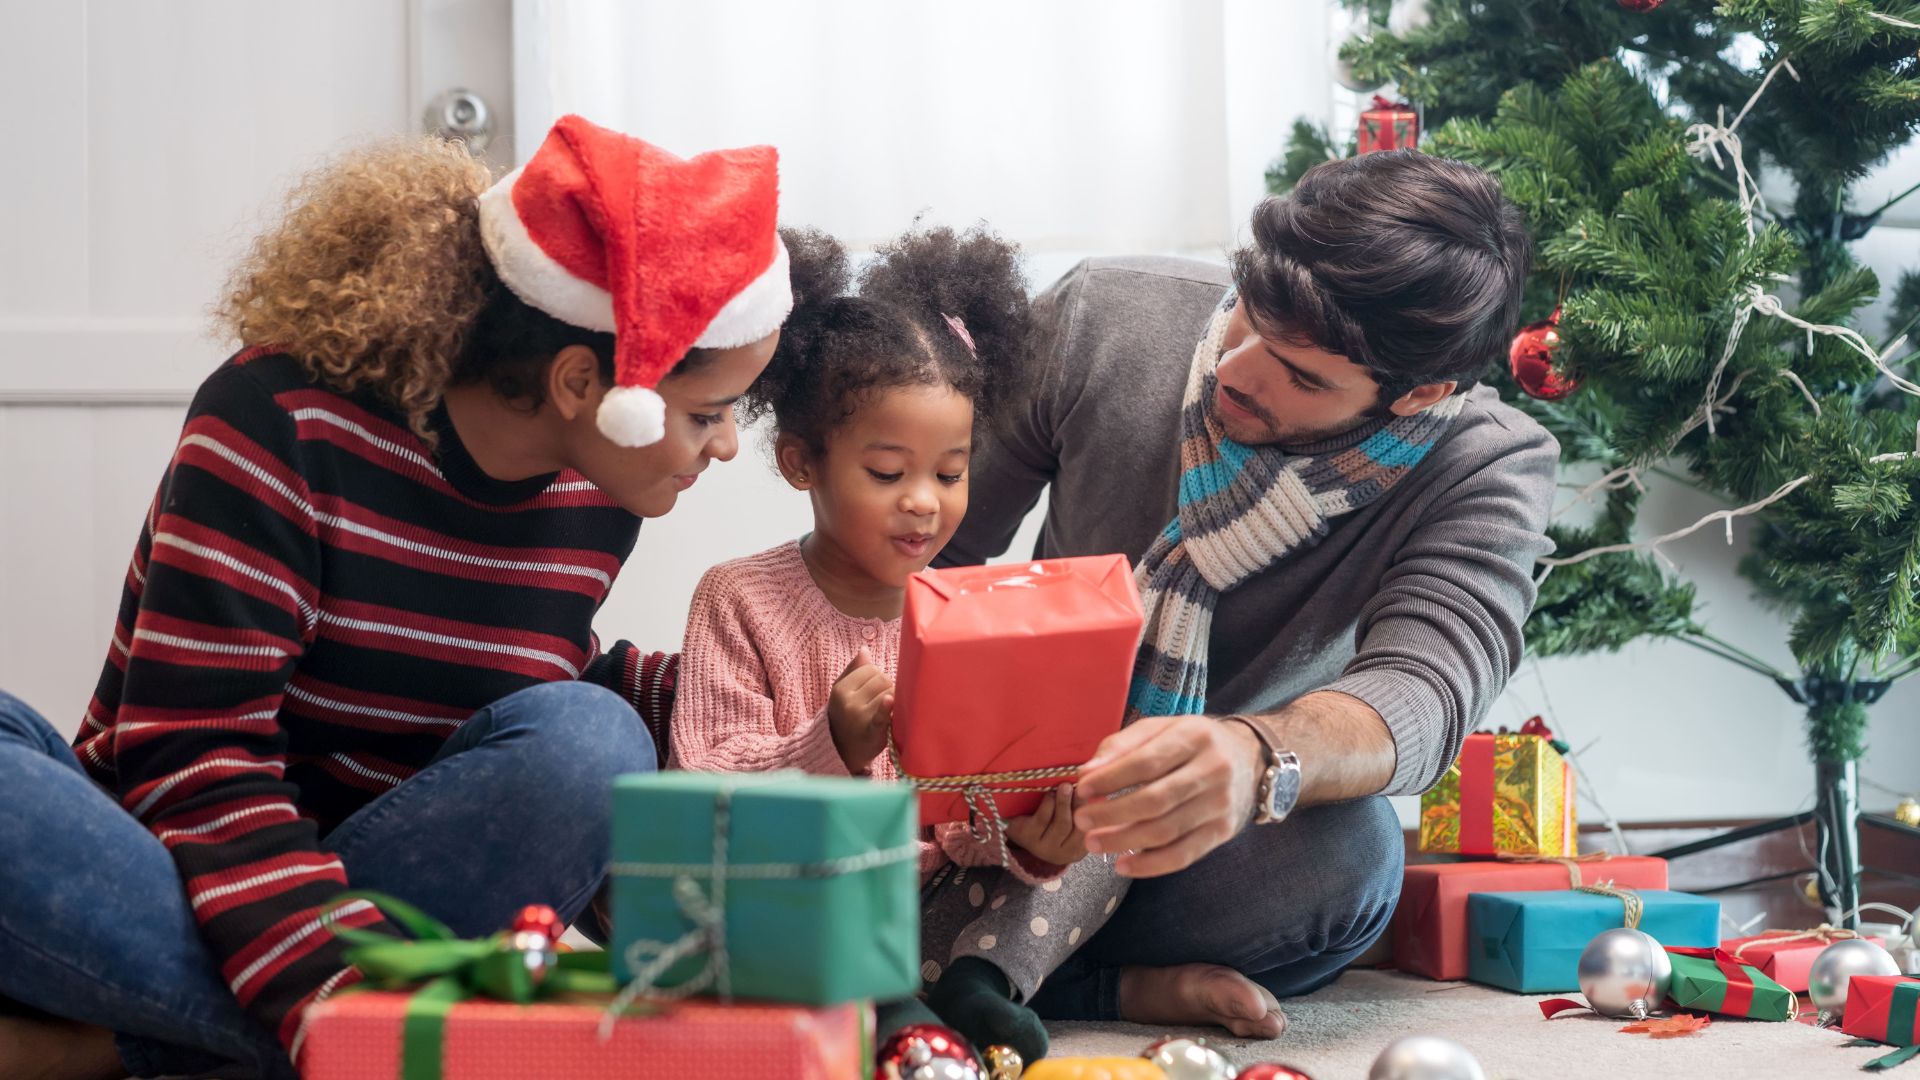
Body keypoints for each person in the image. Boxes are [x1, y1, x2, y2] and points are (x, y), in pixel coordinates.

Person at [0, 115, 790, 1080]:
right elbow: (193, 749)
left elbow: (515, 666)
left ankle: (102, 1050)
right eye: (707, 414)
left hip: (395, 880)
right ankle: (362, 1029)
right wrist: (325, 992)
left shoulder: (602, 488)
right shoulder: (280, 420)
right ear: (584, 381)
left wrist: (787, 676)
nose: (723, 447)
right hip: (179, 852)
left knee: (594, 742)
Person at [935, 149, 1557, 1036]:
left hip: (1181, 829)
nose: (1238, 371)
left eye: (1303, 376)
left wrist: (1252, 757)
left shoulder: (1487, 462)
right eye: (1248, 319)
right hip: (999, 773)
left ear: (1419, 396)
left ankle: (986, 968)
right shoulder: (1103, 317)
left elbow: (1424, 691)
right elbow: (932, 553)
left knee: (1350, 864)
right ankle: (1073, 982)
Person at [671, 224, 1119, 1063]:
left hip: (947, 914)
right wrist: (828, 744)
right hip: (812, 907)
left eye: (949, 473)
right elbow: (704, 798)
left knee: (1114, 830)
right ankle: (892, 1003)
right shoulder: (739, 598)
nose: (925, 503)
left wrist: (1031, 838)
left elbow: (974, 810)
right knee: (760, 901)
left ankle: (975, 989)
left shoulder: (965, 612)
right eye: (888, 474)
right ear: (803, 463)